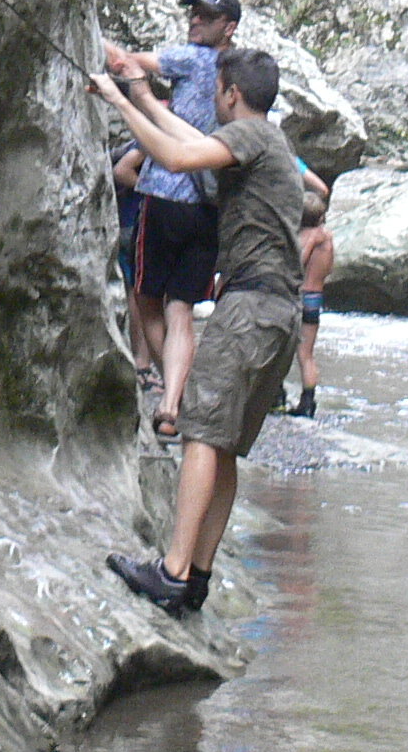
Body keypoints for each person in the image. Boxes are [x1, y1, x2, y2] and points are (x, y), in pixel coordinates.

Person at [91, 47, 306, 616]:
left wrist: (117, 102)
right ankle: (197, 579)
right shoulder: (269, 142)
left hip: (249, 308)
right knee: (225, 446)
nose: (213, 98)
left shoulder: (252, 136)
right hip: (280, 313)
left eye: (215, 90)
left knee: (202, 436)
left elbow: (177, 157)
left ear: (231, 93)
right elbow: (192, 140)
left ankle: (172, 571)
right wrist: (142, 96)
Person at [103, 0, 240, 440]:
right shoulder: (240, 72)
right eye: (194, 12)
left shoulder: (193, 59)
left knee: (147, 300)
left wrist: (92, 37)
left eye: (207, 15)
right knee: (181, 308)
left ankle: (173, 398)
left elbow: (126, 62)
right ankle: (173, 403)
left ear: (228, 27)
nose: (195, 19)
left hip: (164, 195)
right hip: (211, 208)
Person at [113, 145, 156, 382]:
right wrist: (156, 190)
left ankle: (143, 362)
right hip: (135, 225)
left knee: (140, 291)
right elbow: (122, 170)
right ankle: (142, 364)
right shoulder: (146, 142)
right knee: (140, 292)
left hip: (132, 223)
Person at [289, 198, 333, 418]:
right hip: (316, 296)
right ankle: (307, 401)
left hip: (298, 296)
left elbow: (297, 264)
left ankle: (276, 397)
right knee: (306, 354)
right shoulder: (328, 239)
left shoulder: (304, 237)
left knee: (282, 350)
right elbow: (329, 268)